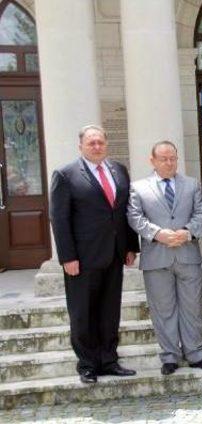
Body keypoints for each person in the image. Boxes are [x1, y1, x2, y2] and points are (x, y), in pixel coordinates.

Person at [49, 124, 139, 384]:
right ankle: (87, 364)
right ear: (81, 146)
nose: (97, 146)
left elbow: (124, 211)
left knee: (110, 310)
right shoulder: (65, 175)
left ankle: (109, 360)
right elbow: (60, 219)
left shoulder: (119, 170)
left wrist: (131, 247)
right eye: (91, 143)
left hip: (114, 254)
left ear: (106, 144)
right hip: (82, 258)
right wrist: (67, 257)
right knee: (82, 312)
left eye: (100, 142)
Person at [127, 141, 202, 376]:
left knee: (193, 307)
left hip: (188, 255)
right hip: (157, 257)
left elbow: (201, 213)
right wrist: (158, 234)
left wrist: (188, 231)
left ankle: (196, 353)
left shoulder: (192, 184)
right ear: (152, 160)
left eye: (173, 158)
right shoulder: (138, 187)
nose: (169, 163)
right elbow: (135, 217)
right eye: (164, 159)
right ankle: (169, 356)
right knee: (162, 309)